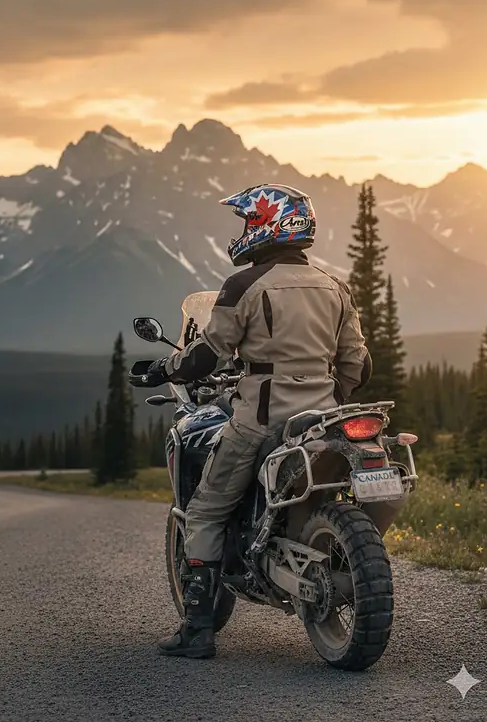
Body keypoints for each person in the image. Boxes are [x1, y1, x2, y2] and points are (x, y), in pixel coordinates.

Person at [145, 183, 372, 659]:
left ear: (269, 225)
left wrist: (166, 368)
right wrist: (331, 396)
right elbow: (357, 365)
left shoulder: (243, 285)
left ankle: (198, 631)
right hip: (325, 420)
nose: (245, 231)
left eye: (249, 222)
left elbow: (208, 354)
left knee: (206, 510)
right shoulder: (335, 286)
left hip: (260, 420)